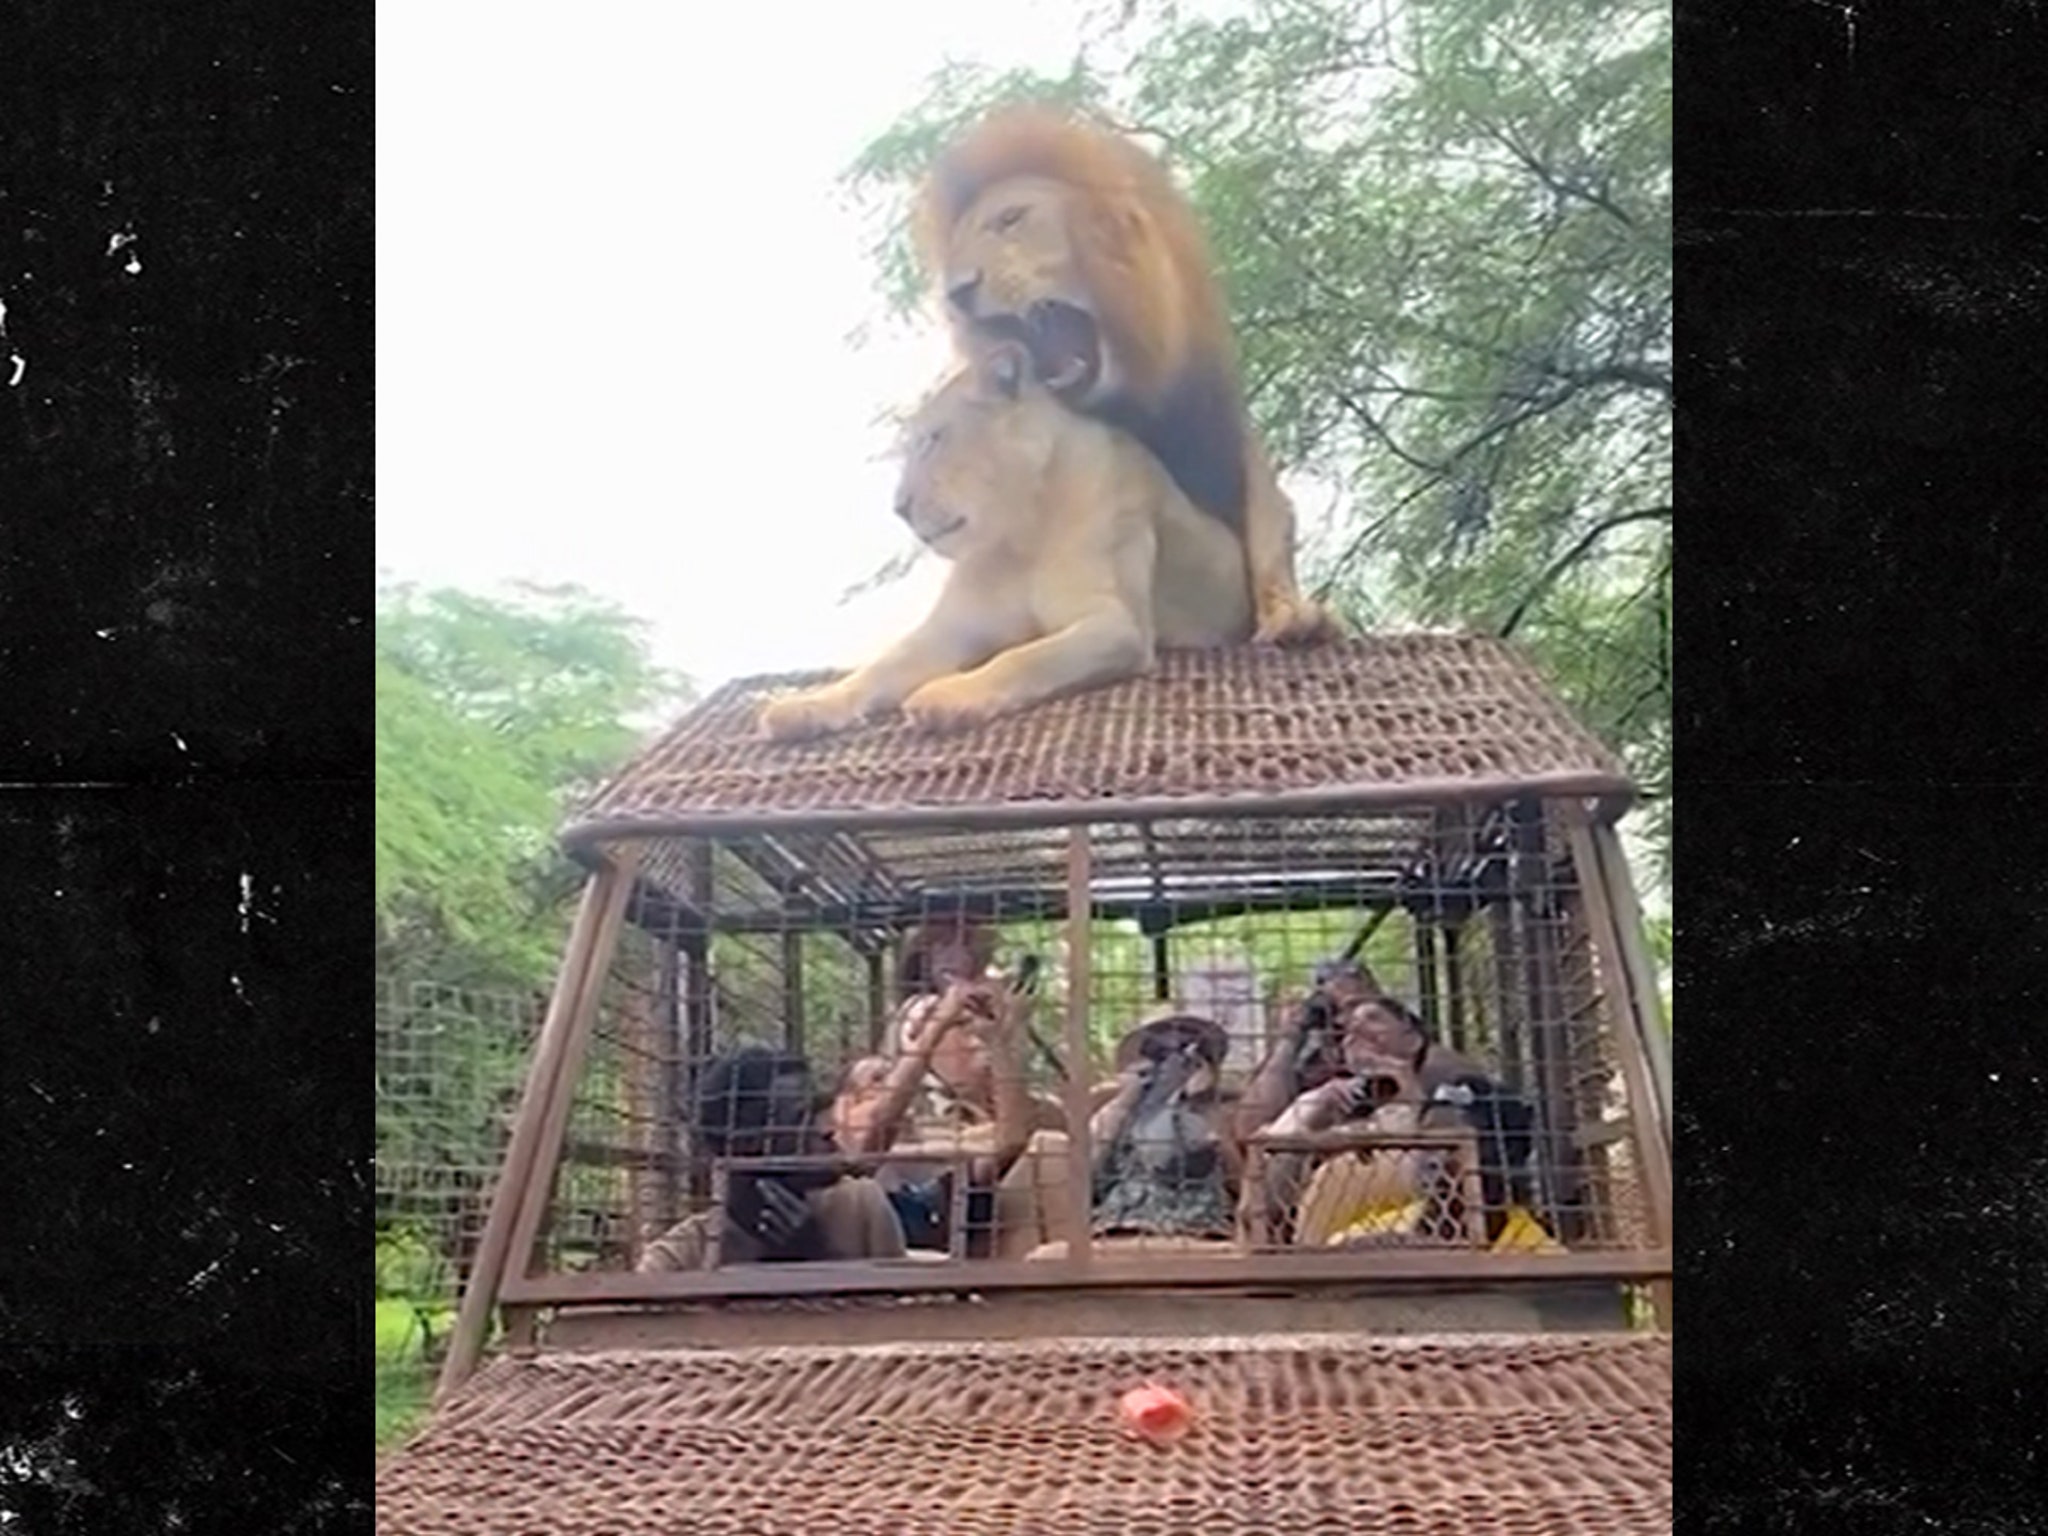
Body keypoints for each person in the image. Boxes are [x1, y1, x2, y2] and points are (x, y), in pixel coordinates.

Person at [1240, 981, 1559, 1252]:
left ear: (1412, 1037)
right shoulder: (1326, 1106)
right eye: (1346, 1033)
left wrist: (1405, 1087)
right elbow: (1257, 1192)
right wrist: (1311, 1116)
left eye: (1373, 1019)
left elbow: (1469, 1168)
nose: (1356, 1030)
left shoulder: (1453, 1085)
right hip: (1341, 1242)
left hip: (1447, 1239)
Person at [831, 970, 1067, 1258]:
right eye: (875, 1082)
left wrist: (997, 1040)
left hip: (939, 1227)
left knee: (1048, 1148)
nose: (891, 1087)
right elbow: (873, 1133)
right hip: (877, 1258)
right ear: (843, 1105)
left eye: (891, 1076)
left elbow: (1010, 1141)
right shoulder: (843, 1170)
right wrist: (939, 1023)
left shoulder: (927, 1185)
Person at [636, 1046, 906, 1271]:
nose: (828, 1129)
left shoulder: (860, 1206)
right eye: (801, 1119)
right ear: (747, 1144)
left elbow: (906, 1327)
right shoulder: (678, 1260)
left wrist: (816, 1256)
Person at [1084, 1013, 1242, 1245]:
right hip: (1123, 1224)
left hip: (1201, 1228)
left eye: (1188, 1054)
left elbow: (1238, 1181)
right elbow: (1086, 1176)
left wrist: (1195, 1106)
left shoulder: (1219, 1111)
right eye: (1161, 1052)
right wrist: (1126, 1100)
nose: (1174, 1063)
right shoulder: (1116, 1111)